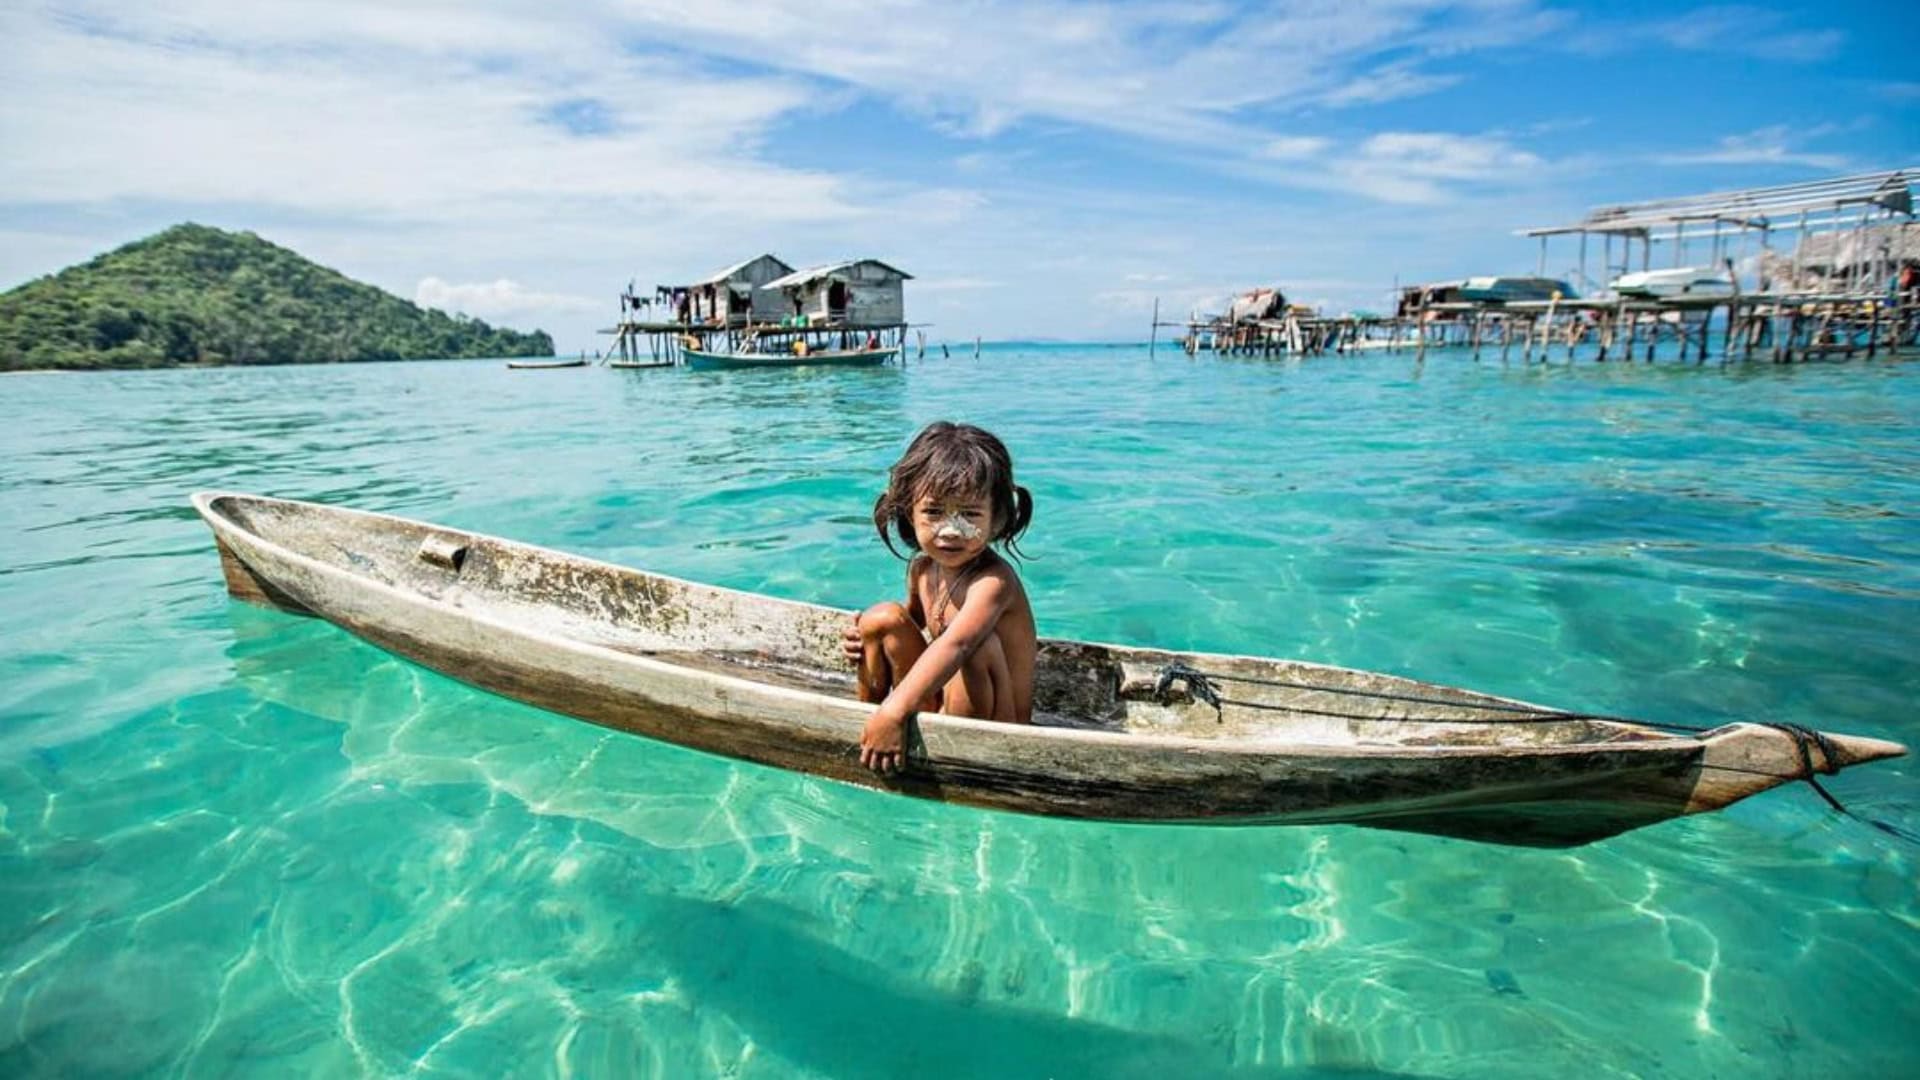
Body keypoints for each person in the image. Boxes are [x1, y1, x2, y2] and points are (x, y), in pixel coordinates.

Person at [842, 422, 1037, 775]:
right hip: (942, 705)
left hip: (999, 725)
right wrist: (861, 636)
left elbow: (957, 645)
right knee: (881, 618)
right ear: (909, 512)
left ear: (996, 520)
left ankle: (900, 724)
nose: (950, 530)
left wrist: (895, 710)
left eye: (969, 514)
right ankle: (866, 725)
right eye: (934, 512)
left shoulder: (993, 582)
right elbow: (909, 625)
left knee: (976, 644)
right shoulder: (922, 569)